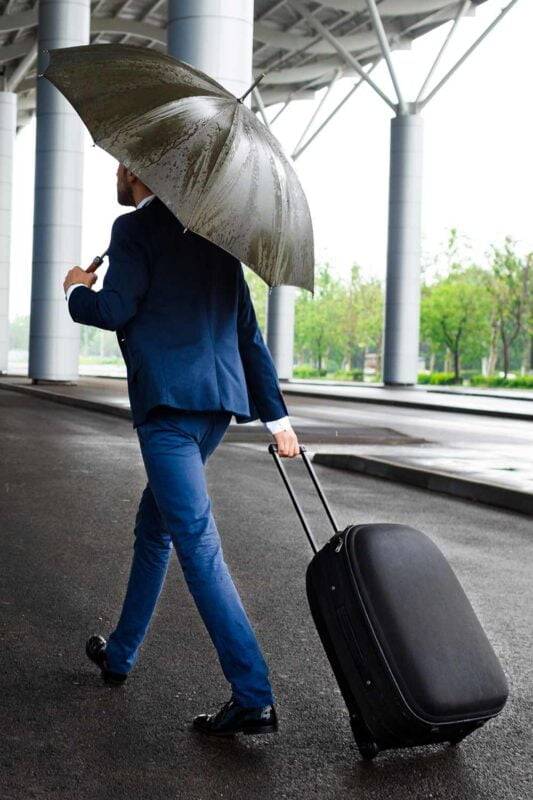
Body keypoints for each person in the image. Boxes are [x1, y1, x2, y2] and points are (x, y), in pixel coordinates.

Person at [62, 163, 299, 737]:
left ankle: (253, 696)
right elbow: (248, 335)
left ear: (140, 173)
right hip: (216, 407)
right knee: (156, 527)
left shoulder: (132, 230)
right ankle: (119, 654)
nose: (118, 171)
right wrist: (277, 417)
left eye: (123, 163)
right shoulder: (218, 236)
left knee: (197, 545)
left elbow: (114, 310)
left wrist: (75, 289)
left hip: (167, 411)